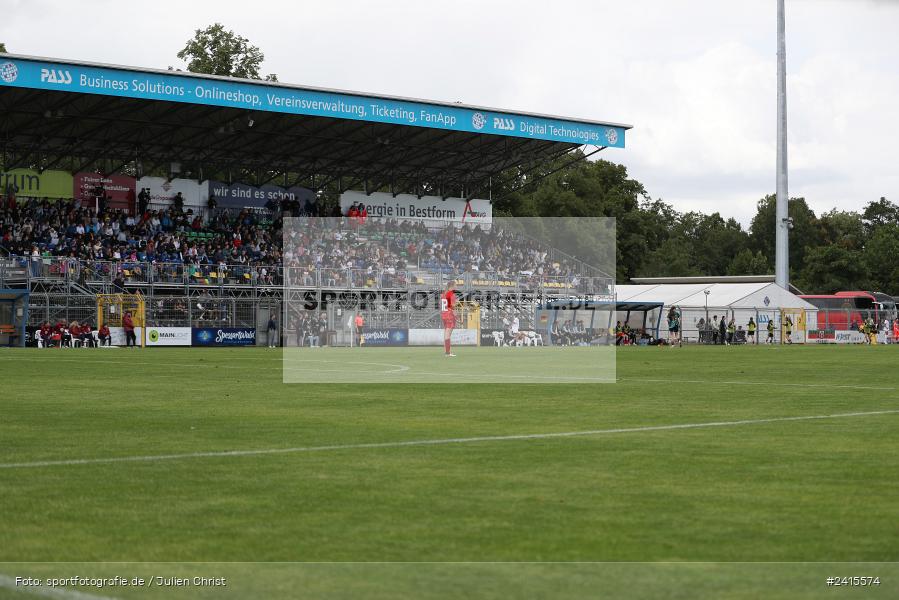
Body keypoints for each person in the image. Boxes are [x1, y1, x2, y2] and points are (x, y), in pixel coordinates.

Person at [441, 281, 458, 356]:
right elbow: (452, 307)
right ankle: (447, 352)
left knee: (446, 333)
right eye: (455, 285)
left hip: (444, 315)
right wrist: (456, 315)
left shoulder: (443, 294)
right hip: (450, 315)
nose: (456, 286)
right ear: (452, 286)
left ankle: (447, 351)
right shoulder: (452, 295)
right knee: (448, 334)